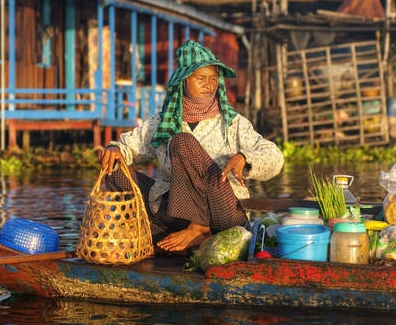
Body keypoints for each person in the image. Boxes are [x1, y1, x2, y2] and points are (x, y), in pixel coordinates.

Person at [98, 40, 284, 253]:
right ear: (184, 81)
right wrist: (115, 149)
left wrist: (245, 158)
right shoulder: (163, 121)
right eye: (201, 78)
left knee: (182, 141)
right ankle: (165, 233)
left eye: (214, 78)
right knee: (113, 170)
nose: (209, 84)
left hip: (223, 211)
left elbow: (275, 156)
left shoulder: (233, 123)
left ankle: (200, 230)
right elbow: (130, 145)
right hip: (179, 213)